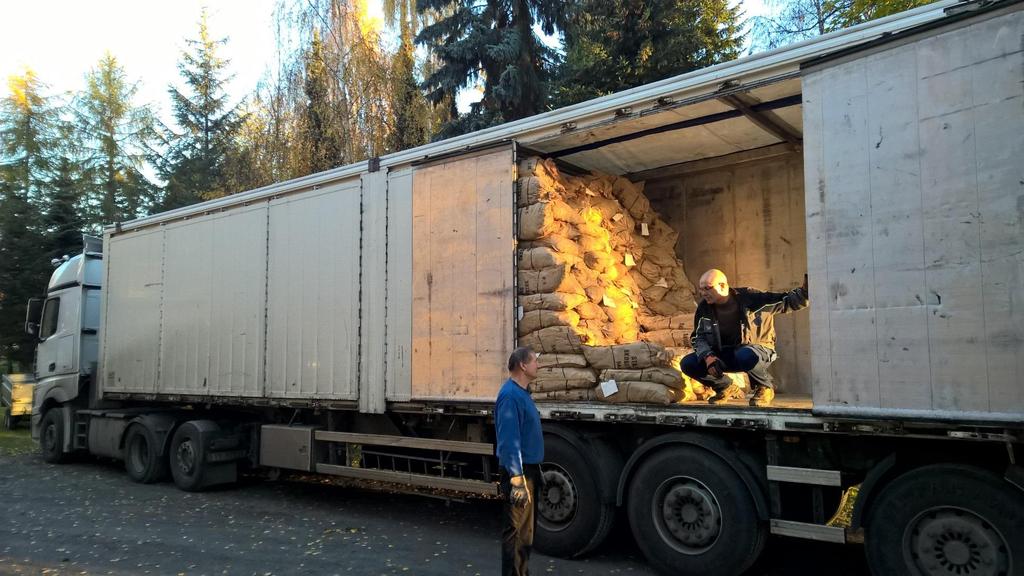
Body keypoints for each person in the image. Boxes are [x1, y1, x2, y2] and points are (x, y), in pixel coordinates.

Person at [680, 269, 808, 407]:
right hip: (726, 355)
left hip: (758, 351)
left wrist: (805, 292)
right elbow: (698, 338)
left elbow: (786, 301)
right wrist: (708, 356)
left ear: (723, 286)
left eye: (707, 288)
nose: (703, 293)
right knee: (688, 363)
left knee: (745, 354)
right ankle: (724, 387)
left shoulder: (751, 297)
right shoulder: (704, 308)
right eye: (701, 289)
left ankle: (764, 387)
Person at [495, 346, 544, 576]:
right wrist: (517, 480)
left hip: (529, 472)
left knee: (526, 534)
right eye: (534, 361)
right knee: (515, 534)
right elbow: (508, 442)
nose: (538, 365)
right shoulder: (510, 396)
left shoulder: (522, 393)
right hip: (519, 474)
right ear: (523, 365)